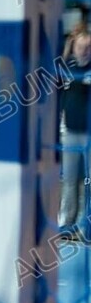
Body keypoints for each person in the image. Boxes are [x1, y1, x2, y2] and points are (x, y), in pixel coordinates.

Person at [57, 30, 91, 239]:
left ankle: (88, 226)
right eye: (80, 47)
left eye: (88, 47)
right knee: (69, 180)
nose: (84, 51)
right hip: (69, 131)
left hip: (89, 135)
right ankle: (67, 224)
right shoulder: (67, 68)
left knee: (89, 181)